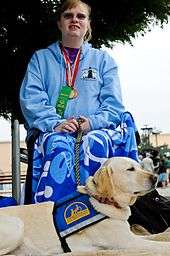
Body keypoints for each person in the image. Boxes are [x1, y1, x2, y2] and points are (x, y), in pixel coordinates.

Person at [20, 0, 138, 204]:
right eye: (68, 15)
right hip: (53, 130)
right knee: (57, 145)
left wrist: (91, 122)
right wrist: (56, 123)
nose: (74, 19)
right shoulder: (40, 59)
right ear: (60, 23)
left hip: (94, 129)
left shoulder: (103, 61)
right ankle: (56, 213)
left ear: (88, 24)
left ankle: (103, 213)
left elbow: (114, 106)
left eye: (81, 16)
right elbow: (31, 99)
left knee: (95, 143)